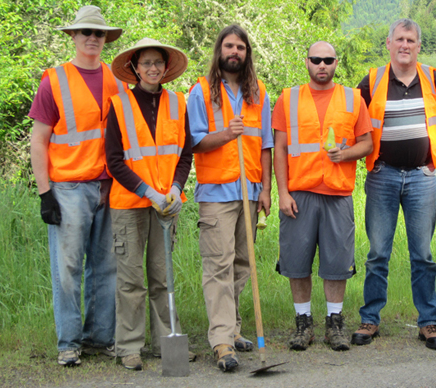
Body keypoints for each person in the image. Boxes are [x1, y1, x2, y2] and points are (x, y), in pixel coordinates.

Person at [29, 5, 126, 367]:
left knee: (107, 266)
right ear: (72, 35)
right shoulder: (53, 80)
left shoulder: (117, 80)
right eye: (85, 32)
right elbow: (38, 140)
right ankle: (69, 342)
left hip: (108, 187)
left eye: (98, 33)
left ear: (106, 38)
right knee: (67, 269)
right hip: (68, 189)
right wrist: (44, 193)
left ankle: (100, 338)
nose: (92, 38)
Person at [351, 18, 436, 350]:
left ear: (418, 45)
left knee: (422, 254)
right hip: (382, 174)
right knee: (378, 252)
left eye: (411, 40)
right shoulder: (370, 81)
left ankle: (428, 322)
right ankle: (370, 319)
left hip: (422, 177)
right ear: (389, 43)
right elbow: (354, 123)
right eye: (399, 39)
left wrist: (428, 157)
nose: (405, 45)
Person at [273, 41, 373, 352]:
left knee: (336, 263)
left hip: (337, 194)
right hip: (299, 195)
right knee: (296, 262)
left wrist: (346, 154)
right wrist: (282, 192)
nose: (322, 65)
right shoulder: (288, 99)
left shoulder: (352, 98)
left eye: (328, 60)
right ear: (306, 61)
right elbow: (278, 148)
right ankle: (303, 323)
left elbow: (367, 144)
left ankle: (335, 323)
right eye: (316, 59)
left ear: (336, 63)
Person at [187, 24, 272, 372]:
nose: (234, 52)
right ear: (219, 51)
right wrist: (225, 134)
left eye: (240, 47)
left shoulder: (258, 92)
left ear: (246, 53)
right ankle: (221, 341)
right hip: (217, 193)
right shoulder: (201, 92)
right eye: (229, 46)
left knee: (242, 264)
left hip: (249, 191)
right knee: (218, 265)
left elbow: (265, 144)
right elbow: (194, 142)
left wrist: (267, 188)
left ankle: (234, 329)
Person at [106, 38, 193, 370]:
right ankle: (128, 346)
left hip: (166, 206)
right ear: (134, 68)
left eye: (158, 62)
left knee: (163, 277)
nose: (153, 68)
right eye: (146, 63)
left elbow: (184, 155)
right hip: (129, 204)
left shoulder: (178, 103)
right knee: (131, 280)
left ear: (166, 67)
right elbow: (115, 161)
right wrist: (148, 191)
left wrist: (174, 187)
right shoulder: (119, 105)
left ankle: (167, 342)